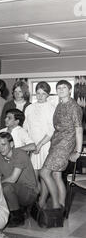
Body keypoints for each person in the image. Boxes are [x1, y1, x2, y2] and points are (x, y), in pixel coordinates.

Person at [40, 80, 83, 210]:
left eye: (64, 87)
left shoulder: (74, 107)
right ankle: (61, 207)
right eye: (58, 88)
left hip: (65, 144)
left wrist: (78, 151)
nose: (61, 90)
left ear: (70, 90)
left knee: (44, 173)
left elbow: (79, 129)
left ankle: (55, 205)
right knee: (56, 175)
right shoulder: (59, 105)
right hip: (56, 142)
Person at [0, 132, 38, 227]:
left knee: (6, 187)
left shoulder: (20, 154)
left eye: (3, 144)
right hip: (13, 191)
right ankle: (13, 210)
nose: (0, 148)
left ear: (11, 144)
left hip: (29, 192)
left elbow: (13, 179)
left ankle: (17, 217)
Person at [23, 81, 56, 206]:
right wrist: (29, 145)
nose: (40, 96)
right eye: (38, 93)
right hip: (32, 146)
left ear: (48, 95)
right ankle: (35, 199)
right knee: (32, 175)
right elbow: (26, 128)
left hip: (45, 146)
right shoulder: (30, 107)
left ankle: (42, 200)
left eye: (43, 93)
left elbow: (51, 130)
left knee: (44, 175)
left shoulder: (51, 108)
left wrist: (40, 145)